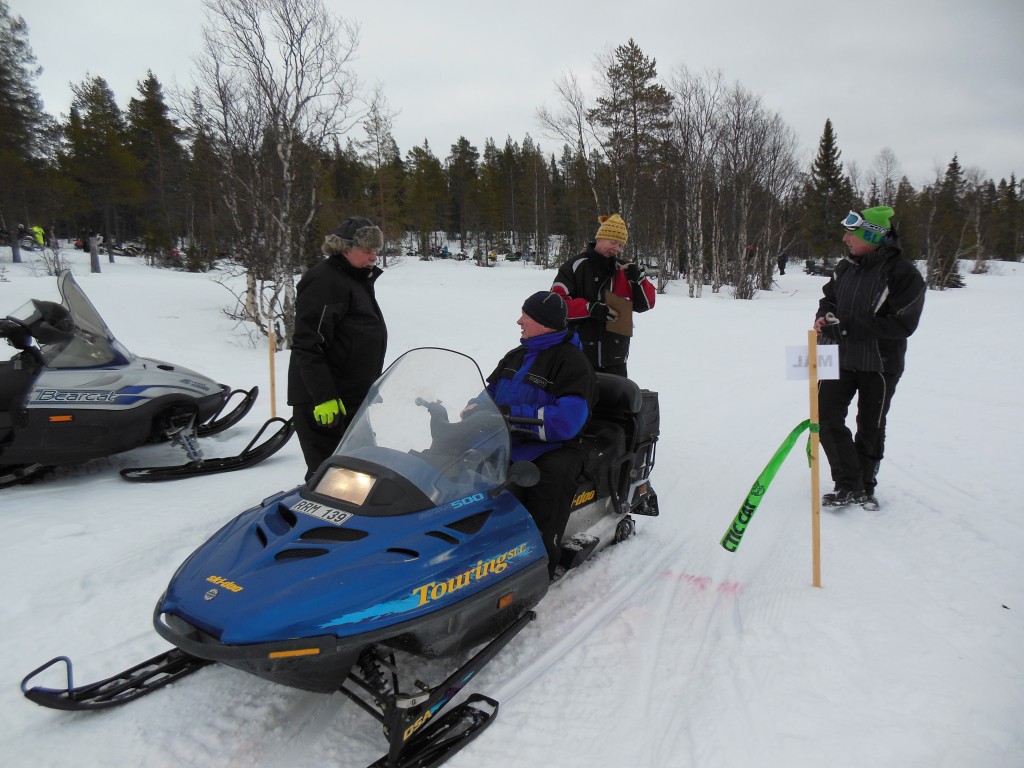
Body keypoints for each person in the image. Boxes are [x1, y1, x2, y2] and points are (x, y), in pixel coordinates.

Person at [471, 291, 597, 576]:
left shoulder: (572, 363)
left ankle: (540, 560)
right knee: (453, 451)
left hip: (554, 446)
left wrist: (511, 415)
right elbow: (489, 394)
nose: (519, 321)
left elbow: (567, 422)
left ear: (545, 323)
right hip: (508, 438)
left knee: (550, 477)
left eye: (526, 316)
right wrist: (474, 407)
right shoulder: (516, 355)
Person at [813, 206, 926, 511]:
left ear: (872, 235)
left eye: (852, 232)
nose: (846, 237)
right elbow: (829, 298)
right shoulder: (844, 267)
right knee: (824, 418)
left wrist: (848, 327)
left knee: (870, 425)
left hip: (880, 364)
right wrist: (824, 316)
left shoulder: (903, 274)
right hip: (839, 358)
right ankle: (847, 483)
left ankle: (864, 486)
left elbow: (903, 324)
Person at [287, 216, 387, 481]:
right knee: (332, 477)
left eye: (375, 251)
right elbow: (308, 344)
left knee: (363, 470)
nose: (373, 257)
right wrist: (323, 397)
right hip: (325, 402)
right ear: (345, 249)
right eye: (368, 251)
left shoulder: (354, 279)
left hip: (352, 398)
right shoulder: (324, 281)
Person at [551, 214, 655, 376]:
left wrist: (639, 280)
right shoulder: (575, 266)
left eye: (620, 245)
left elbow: (646, 305)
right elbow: (556, 305)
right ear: (599, 238)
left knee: (616, 400)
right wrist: (591, 308)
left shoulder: (623, 269)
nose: (616, 248)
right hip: (580, 355)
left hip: (616, 357)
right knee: (582, 400)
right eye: (613, 242)